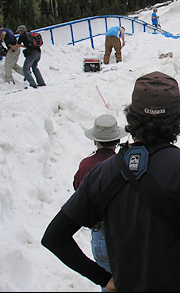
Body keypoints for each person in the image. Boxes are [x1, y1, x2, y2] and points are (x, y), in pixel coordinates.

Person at [42, 71, 180, 292]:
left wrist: (103, 279)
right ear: (178, 119)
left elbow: (54, 237)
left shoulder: (102, 173)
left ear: (130, 116)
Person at [73, 114, 128, 292]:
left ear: (95, 141)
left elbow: (78, 192)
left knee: (108, 284)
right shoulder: (124, 164)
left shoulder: (85, 166)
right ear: (117, 140)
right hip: (123, 235)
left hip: (99, 237)